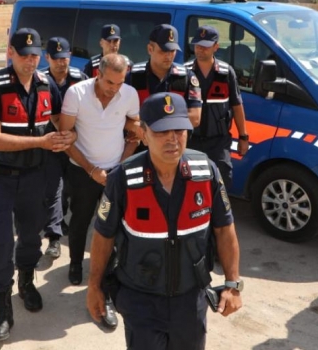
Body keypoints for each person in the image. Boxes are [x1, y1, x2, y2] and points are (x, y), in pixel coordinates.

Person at [86, 92, 243, 349]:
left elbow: (225, 228)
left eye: (179, 129)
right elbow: (103, 235)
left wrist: (232, 284)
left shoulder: (206, 172)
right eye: (161, 131)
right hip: (140, 301)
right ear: (143, 134)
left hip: (190, 300)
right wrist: (94, 286)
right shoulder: (123, 179)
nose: (172, 139)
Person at [0, 28, 76, 340]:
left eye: (35, 56)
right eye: (24, 55)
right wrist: (42, 142)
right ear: (11, 53)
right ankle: (2, 307)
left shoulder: (46, 85)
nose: (30, 62)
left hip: (35, 178)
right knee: (0, 244)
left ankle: (27, 282)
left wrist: (67, 136)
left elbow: (61, 122)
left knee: (31, 238)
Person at [57, 53, 141, 328]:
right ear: (98, 74)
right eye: (109, 82)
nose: (113, 89)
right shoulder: (76, 94)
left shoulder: (128, 95)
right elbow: (66, 139)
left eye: (119, 83)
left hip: (115, 173)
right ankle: (75, 264)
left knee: (112, 227)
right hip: (82, 172)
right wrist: (92, 170)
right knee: (80, 222)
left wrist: (121, 164)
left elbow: (135, 131)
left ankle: (104, 282)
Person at [39, 37, 87, 259]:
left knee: (71, 189)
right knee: (53, 190)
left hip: (77, 144)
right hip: (49, 146)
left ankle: (60, 220)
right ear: (47, 57)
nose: (61, 62)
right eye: (56, 58)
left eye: (65, 57)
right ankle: (54, 237)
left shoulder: (80, 79)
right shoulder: (39, 80)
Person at [184, 25, 249, 186]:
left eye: (205, 46)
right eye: (198, 45)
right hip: (191, 141)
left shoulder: (226, 72)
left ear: (216, 47)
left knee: (222, 182)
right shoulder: (184, 72)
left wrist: (243, 137)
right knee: (192, 185)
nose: (200, 49)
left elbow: (237, 105)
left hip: (218, 142)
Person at [128, 24, 202, 126]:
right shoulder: (133, 76)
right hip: (142, 140)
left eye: (172, 51)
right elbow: (120, 116)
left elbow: (195, 118)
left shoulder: (187, 77)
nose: (168, 56)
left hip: (174, 140)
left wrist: (153, 123)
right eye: (163, 51)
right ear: (150, 49)